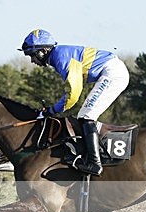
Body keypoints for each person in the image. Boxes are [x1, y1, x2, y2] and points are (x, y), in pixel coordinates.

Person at [18, 29, 130, 176]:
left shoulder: (61, 57)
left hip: (113, 74)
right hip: (112, 71)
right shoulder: (58, 55)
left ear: (43, 51)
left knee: (86, 116)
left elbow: (73, 95)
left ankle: (94, 163)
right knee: (85, 115)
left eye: (32, 55)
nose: (32, 61)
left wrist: (52, 110)